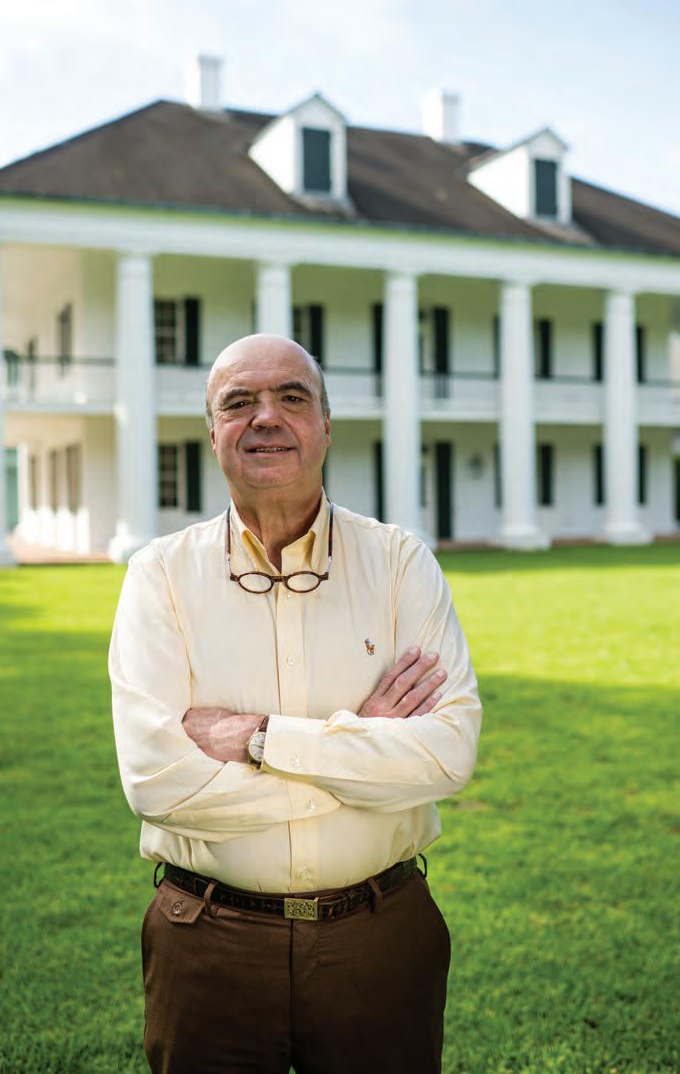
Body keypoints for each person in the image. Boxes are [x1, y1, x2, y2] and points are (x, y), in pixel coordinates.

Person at [110, 332, 482, 1074]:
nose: (265, 417)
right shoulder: (160, 576)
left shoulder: (400, 563)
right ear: (212, 431)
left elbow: (446, 756)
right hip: (207, 941)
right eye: (238, 403)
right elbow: (157, 784)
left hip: (380, 937)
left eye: (291, 397)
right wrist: (361, 753)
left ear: (325, 425)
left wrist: (260, 738)